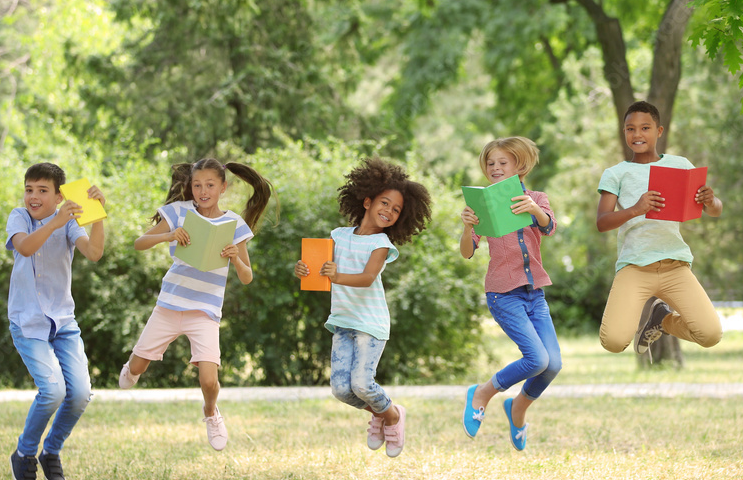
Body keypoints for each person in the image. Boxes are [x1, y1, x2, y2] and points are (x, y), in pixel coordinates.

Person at [119, 158, 273, 452]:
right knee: (136, 368)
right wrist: (169, 234)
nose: (203, 191)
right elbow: (140, 242)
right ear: (190, 187)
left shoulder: (233, 225)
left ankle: (211, 412)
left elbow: (247, 277)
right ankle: (132, 366)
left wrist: (235, 258)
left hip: (205, 311)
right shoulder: (179, 212)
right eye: (197, 185)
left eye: (210, 185)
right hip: (169, 305)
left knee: (208, 379)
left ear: (223, 188)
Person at [294, 158, 432, 458]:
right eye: (385, 203)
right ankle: (382, 412)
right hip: (343, 321)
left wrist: (336, 275)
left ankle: (392, 415)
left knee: (362, 383)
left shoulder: (381, 244)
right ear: (367, 201)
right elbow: (320, 271)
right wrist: (305, 269)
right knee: (342, 390)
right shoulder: (338, 236)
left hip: (371, 323)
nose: (389, 212)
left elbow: (368, 277)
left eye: (396, 210)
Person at [6, 162, 106, 480]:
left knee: (79, 394)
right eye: (29, 189)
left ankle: (51, 450)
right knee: (53, 391)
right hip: (28, 321)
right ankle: (24, 453)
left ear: (59, 194)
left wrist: (98, 216)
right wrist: (56, 221)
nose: (33, 196)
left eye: (42, 190)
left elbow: (93, 253)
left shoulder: (69, 222)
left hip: (62, 322)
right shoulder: (19, 217)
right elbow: (24, 247)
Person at [596, 100, 723, 358]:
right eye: (630, 129)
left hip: (675, 264)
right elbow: (602, 222)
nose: (638, 134)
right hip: (635, 266)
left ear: (659, 131)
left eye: (645, 128)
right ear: (624, 133)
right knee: (613, 341)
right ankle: (655, 318)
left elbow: (715, 210)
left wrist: (710, 201)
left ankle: (662, 320)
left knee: (710, 335)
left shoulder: (680, 165)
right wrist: (635, 209)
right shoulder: (616, 173)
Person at [459, 137, 562, 451]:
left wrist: (534, 210)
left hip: (535, 293)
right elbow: (467, 252)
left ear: (520, 166)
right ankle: (482, 393)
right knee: (536, 359)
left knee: (553, 364)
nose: (495, 168)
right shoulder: (483, 205)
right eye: (490, 163)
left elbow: (549, 227)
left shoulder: (536, 198)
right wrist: (466, 228)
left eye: (503, 163)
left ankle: (517, 409)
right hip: (503, 294)